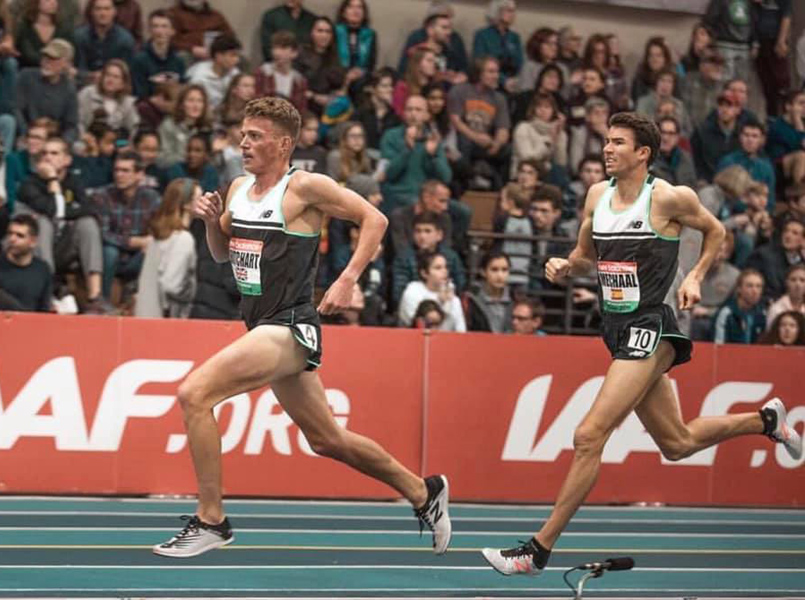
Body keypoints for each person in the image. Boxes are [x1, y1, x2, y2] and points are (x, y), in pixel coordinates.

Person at [481, 111, 802, 577]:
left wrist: (694, 275)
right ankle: (766, 419)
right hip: (615, 328)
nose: (606, 149)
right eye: (606, 141)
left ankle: (537, 550)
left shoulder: (668, 197)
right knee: (677, 442)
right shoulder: (597, 195)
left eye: (617, 143)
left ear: (642, 153)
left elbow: (717, 231)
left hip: (651, 325)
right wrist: (566, 266)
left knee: (589, 435)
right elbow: (585, 253)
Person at [151, 96, 451, 557]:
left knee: (195, 394)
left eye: (255, 135)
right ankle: (423, 491)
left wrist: (347, 279)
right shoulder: (236, 188)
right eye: (243, 132)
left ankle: (212, 519)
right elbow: (220, 253)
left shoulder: (305, 186)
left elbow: (376, 218)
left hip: (290, 325)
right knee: (327, 439)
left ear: (284, 143)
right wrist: (214, 224)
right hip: (259, 325)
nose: (243, 142)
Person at [16, 137, 106, 311]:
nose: (48, 157)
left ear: (67, 160)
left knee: (88, 224)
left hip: (64, 246)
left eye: (54, 153)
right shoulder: (30, 184)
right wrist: (52, 180)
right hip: (36, 251)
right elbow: (51, 210)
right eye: (44, 153)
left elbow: (89, 210)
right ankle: (47, 293)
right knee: (42, 223)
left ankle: (95, 296)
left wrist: (66, 210)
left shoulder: (74, 181)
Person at [94, 150, 161, 299]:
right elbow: (102, 233)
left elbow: (160, 229)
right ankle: (103, 301)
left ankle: (143, 301)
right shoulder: (102, 196)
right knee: (109, 252)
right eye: (117, 170)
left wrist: (149, 242)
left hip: (139, 255)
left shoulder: (152, 198)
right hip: (112, 255)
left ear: (140, 174)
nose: (119, 175)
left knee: (154, 249)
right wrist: (131, 242)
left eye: (125, 171)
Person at [135, 177, 198, 319]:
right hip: (167, 319)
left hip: (145, 315)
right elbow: (171, 285)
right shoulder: (183, 239)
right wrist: (192, 292)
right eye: (199, 198)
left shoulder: (158, 236)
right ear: (187, 204)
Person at [380, 94, 451, 215]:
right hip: (397, 194)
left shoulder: (432, 139)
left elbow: (446, 178)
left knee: (463, 213)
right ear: (403, 113)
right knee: (415, 206)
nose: (413, 113)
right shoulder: (391, 136)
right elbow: (389, 174)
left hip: (428, 196)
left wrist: (433, 156)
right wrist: (407, 148)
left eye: (418, 110)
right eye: (409, 109)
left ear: (427, 115)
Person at [15, 38, 78, 143]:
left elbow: (71, 125)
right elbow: (16, 109)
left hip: (54, 139)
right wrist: (29, 135)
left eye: (53, 58)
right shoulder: (26, 76)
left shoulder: (69, 88)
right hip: (26, 135)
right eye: (45, 57)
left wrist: (63, 143)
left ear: (66, 64)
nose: (46, 62)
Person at [398, 250, 465, 331]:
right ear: (424, 273)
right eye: (438, 268)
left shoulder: (453, 299)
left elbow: (461, 331)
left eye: (445, 267)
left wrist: (448, 302)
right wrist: (443, 304)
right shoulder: (413, 291)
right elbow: (415, 325)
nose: (445, 271)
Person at [74, 0, 134, 86]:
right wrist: (91, 76)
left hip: (114, 90)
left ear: (114, 11)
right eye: (98, 9)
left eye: (107, 9)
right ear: (92, 12)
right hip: (84, 87)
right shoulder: (79, 36)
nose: (103, 13)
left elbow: (126, 74)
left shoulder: (125, 40)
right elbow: (76, 70)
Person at [0, 213, 51, 311]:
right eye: (10, 233)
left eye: (20, 236)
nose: (12, 239)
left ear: (33, 242)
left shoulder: (43, 270)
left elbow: (44, 310)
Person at [131, 9, 186, 100]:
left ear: (172, 31)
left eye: (164, 26)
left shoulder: (179, 61)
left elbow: (182, 91)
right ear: (149, 30)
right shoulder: (139, 60)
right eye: (155, 26)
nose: (159, 31)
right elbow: (140, 95)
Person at [77, 58, 140, 137]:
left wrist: (124, 144)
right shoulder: (87, 93)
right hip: (87, 140)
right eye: (107, 75)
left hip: (115, 144)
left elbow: (134, 129)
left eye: (115, 77)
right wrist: (85, 137)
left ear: (123, 83)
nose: (110, 79)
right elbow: (78, 122)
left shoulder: (127, 103)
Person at [746, 218, 805, 301]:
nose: (788, 235)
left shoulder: (801, 262)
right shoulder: (763, 255)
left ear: (802, 240)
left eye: (794, 233)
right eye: (786, 231)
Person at [471, 0, 521, 93]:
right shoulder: (482, 35)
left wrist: (514, 80)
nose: (513, 14)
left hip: (512, 84)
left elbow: (520, 63)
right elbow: (479, 62)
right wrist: (503, 80)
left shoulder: (514, 37)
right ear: (497, 11)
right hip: (489, 83)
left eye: (514, 11)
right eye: (509, 11)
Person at [255, 31, 308, 115]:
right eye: (275, 48)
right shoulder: (263, 73)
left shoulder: (299, 81)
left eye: (283, 48)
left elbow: (300, 111)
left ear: (294, 53)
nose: (277, 53)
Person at [166, 0, 233, 63]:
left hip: (215, 53)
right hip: (188, 53)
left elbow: (230, 37)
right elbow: (169, 39)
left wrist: (217, 50)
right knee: (182, 57)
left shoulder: (216, 15)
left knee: (237, 58)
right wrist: (192, 49)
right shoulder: (172, 13)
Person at [13, 0, 74, 69]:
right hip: (29, 70)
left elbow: (66, 52)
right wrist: (48, 62)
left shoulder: (64, 28)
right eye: (48, 0)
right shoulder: (24, 26)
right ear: (36, 3)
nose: (53, 2)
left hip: (57, 72)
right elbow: (27, 54)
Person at [187, 33, 241, 110]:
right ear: (218, 56)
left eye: (237, 56)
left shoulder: (235, 73)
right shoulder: (199, 77)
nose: (237, 60)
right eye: (232, 55)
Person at [712, 267, 767, 343]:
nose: (755, 291)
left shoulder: (762, 314)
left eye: (758, 286)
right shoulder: (726, 314)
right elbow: (718, 347)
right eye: (749, 286)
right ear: (739, 289)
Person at [465, 249, 512, 333]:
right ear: (483, 272)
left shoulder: (515, 300)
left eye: (504, 270)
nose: (500, 275)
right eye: (494, 270)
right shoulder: (470, 300)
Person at [652, 116, 696, 189]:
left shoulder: (685, 158)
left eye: (671, 133)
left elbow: (692, 184)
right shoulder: (649, 157)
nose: (665, 138)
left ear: (677, 137)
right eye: (662, 132)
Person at [765, 264, 805, 328]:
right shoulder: (776, 309)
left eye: (802, 280)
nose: (798, 284)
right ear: (786, 283)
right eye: (793, 280)